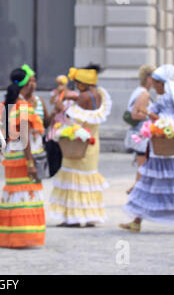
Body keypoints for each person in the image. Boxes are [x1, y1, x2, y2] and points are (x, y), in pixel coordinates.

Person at [120, 64, 174, 234]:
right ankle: (137, 220)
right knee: (149, 183)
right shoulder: (169, 98)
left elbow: (166, 121)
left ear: (162, 84)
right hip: (161, 151)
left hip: (166, 152)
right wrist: (145, 111)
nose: (153, 86)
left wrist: (147, 113)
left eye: (156, 83)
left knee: (166, 184)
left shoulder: (167, 99)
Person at [48, 64, 112, 227]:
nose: (76, 85)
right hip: (92, 143)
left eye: (77, 82)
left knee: (73, 176)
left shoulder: (84, 97)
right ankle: (89, 215)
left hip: (78, 142)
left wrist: (61, 105)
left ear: (84, 83)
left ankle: (73, 217)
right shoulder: (97, 94)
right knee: (87, 178)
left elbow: (72, 115)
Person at [0, 65, 46, 248]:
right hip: (23, 158)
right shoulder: (24, 107)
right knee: (26, 193)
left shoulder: (5, 105)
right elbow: (26, 139)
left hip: (11, 157)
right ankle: (23, 236)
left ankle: (8, 235)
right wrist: (30, 162)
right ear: (27, 85)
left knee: (13, 193)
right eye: (30, 81)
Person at [124, 65, 156, 194]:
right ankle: (137, 189)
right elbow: (135, 114)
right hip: (141, 134)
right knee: (143, 163)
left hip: (139, 133)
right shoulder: (144, 94)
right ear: (148, 78)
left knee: (142, 163)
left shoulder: (139, 91)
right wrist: (149, 115)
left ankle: (137, 187)